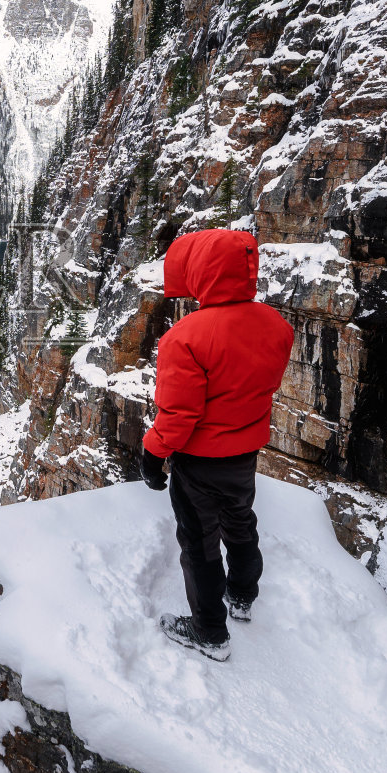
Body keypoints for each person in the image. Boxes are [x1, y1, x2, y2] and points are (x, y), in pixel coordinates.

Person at [140, 228, 294, 661]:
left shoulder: (185, 338)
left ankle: (210, 632)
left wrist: (153, 455)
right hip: (245, 454)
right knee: (240, 522)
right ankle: (242, 597)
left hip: (199, 463)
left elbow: (178, 415)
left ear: (204, 272)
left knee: (199, 542)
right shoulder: (277, 326)